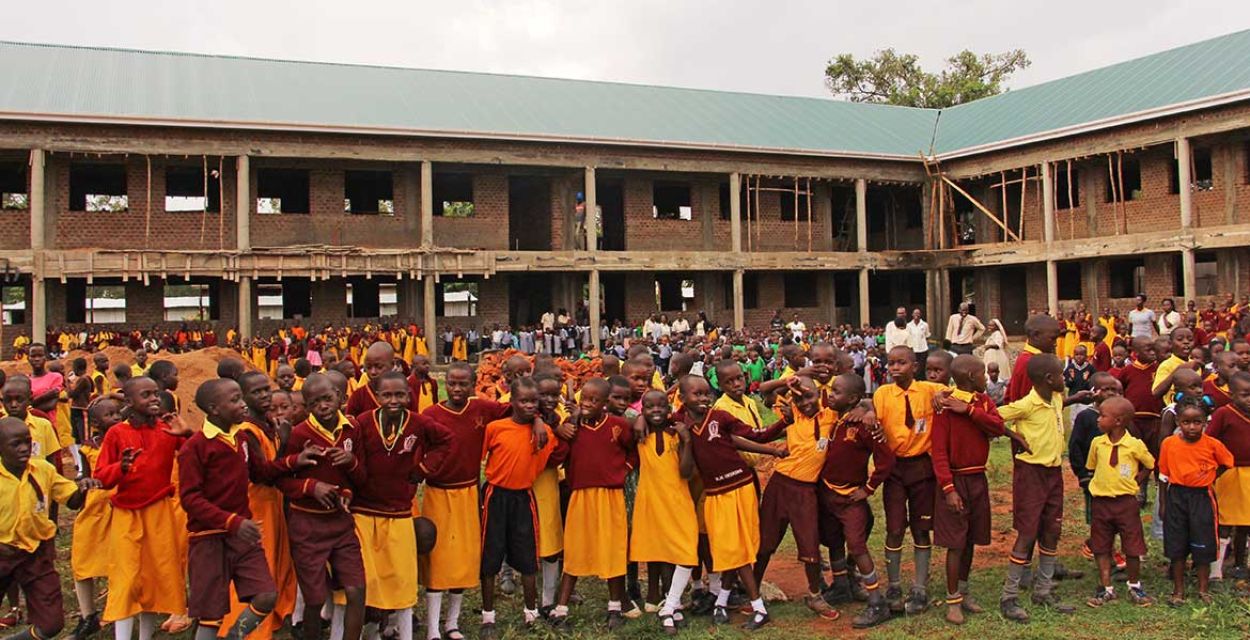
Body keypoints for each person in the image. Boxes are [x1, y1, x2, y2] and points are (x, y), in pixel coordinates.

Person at [177, 379, 316, 640]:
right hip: (209, 538)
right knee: (211, 616)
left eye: (241, 397)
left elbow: (260, 473)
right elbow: (190, 499)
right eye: (235, 400)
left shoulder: (239, 438)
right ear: (214, 408)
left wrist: (293, 461)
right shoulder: (195, 447)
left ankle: (234, 637)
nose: (243, 404)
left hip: (242, 536)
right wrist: (232, 521)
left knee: (265, 595)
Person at [674, 375, 784, 630]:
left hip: (740, 487)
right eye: (696, 394)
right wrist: (684, 439)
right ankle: (722, 600)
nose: (703, 398)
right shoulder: (679, 422)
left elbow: (753, 435)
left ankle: (757, 608)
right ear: (682, 398)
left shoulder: (720, 417)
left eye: (706, 393)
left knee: (739, 548)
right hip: (714, 493)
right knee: (726, 548)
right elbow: (684, 469)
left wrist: (783, 425)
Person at [350, 372, 452, 640]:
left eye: (399, 395)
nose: (393, 400)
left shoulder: (418, 423)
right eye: (386, 395)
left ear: (408, 396)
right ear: (377, 397)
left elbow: (445, 440)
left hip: (400, 511)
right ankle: (370, 630)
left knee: (401, 576)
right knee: (367, 578)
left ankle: (402, 631)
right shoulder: (363, 422)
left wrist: (424, 468)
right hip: (364, 510)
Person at [419, 363, 514, 640]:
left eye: (463, 384)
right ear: (444, 384)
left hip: (468, 492)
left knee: (462, 558)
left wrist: (541, 421)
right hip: (438, 493)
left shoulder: (482, 409)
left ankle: (452, 623)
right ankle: (433, 628)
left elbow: (517, 410)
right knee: (438, 558)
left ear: (473, 385)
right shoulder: (431, 415)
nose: (457, 389)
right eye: (452, 383)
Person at [94, 377, 194, 640]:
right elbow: (101, 476)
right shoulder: (117, 433)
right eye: (146, 395)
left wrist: (187, 434)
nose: (154, 399)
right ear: (129, 401)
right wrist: (121, 468)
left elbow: (199, 456)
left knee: (153, 576)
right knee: (126, 578)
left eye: (155, 394)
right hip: (126, 513)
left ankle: (145, 635)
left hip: (159, 511)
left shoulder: (167, 430)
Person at [997, 354, 1092, 622]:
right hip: (1031, 474)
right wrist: (1013, 435)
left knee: (1052, 531)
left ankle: (1043, 590)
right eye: (1062, 374)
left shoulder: (1055, 398)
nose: (1066, 378)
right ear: (1049, 379)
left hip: (1053, 474)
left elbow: (1058, 404)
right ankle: (1009, 596)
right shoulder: (1026, 404)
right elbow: (993, 416)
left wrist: (1077, 398)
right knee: (1027, 533)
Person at [278, 374, 367, 640]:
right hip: (307, 525)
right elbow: (282, 480)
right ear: (306, 406)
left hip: (340, 522)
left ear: (339, 397)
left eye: (327, 399)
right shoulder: (300, 434)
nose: (323, 406)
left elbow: (361, 476)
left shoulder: (351, 429)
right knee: (315, 598)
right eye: (315, 403)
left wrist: (349, 474)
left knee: (356, 590)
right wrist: (311, 487)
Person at [0, 416, 98, 640]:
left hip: (37, 553)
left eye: (27, 442)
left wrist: (83, 488)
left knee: (51, 624)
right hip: (3, 552)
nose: (24, 448)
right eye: (16, 444)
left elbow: (71, 500)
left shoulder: (42, 469)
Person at [478, 378, 561, 639]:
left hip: (524, 496)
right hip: (495, 494)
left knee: (527, 556)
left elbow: (548, 458)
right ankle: (488, 616)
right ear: (512, 401)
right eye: (523, 400)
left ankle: (531, 612)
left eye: (533, 401)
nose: (529, 405)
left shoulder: (544, 434)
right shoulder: (495, 428)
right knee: (490, 555)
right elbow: (480, 456)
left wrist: (540, 423)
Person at [548, 379, 635, 629]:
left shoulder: (618, 425)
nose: (587, 404)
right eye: (584, 398)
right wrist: (561, 430)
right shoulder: (573, 426)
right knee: (575, 548)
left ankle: (614, 607)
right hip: (581, 495)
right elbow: (560, 455)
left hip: (610, 495)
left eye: (594, 400)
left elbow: (632, 450)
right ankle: (561, 608)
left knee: (613, 548)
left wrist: (624, 469)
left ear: (605, 403)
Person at [219, 372, 298, 640]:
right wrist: (285, 442)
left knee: (276, 562)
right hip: (256, 505)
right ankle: (245, 629)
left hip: (273, 503)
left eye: (266, 389)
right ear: (243, 397)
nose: (264, 395)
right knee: (258, 567)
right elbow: (262, 474)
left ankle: (273, 616)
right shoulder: (247, 430)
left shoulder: (267, 424)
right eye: (256, 392)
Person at [753, 377, 839, 620]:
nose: (805, 403)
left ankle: (814, 594)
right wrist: (789, 381)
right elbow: (763, 389)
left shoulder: (830, 415)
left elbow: (860, 403)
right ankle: (753, 591)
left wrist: (866, 413)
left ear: (819, 395)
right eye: (798, 399)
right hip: (780, 485)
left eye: (809, 396)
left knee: (809, 541)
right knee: (766, 540)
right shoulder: (792, 417)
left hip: (806, 490)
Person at [930, 355, 1005, 625]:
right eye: (983, 374)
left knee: (971, 538)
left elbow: (998, 427)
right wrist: (948, 489)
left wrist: (970, 411)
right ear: (972, 377)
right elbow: (938, 451)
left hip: (977, 478)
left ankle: (963, 591)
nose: (986, 378)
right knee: (955, 543)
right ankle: (952, 600)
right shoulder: (944, 405)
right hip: (955, 479)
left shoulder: (982, 402)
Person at [818, 373, 895, 628]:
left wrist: (868, 489)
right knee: (833, 538)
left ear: (852, 398)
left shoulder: (864, 425)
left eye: (837, 392)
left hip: (851, 497)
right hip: (826, 493)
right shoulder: (833, 416)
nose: (831, 395)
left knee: (857, 545)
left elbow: (886, 461)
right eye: (831, 390)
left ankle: (877, 601)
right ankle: (841, 585)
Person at [874, 346, 946, 614]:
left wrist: (943, 396)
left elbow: (952, 393)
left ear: (915, 367)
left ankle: (919, 586)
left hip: (921, 468)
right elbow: (872, 414)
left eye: (901, 363)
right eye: (891, 363)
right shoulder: (883, 393)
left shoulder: (929, 390)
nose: (895, 368)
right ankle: (893, 585)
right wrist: (868, 413)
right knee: (894, 528)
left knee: (921, 527)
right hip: (894, 469)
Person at [628, 390, 697, 635]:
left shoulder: (676, 434)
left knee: (686, 551)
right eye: (649, 407)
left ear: (669, 409)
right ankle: (671, 604)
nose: (656, 411)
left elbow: (686, 472)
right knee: (660, 550)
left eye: (661, 406)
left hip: (678, 500)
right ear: (643, 410)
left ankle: (669, 605)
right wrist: (638, 418)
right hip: (651, 501)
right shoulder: (639, 433)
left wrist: (687, 441)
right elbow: (622, 416)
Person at [1159, 396, 1234, 605]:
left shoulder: (1212, 444)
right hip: (1176, 496)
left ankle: (1203, 589)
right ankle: (1178, 590)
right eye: (1186, 422)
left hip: (1202, 496)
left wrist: (1210, 476)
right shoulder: (1169, 444)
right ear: (1178, 422)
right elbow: (1163, 475)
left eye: (1197, 422)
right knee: (1177, 544)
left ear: (1205, 422)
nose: (1192, 427)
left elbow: (1227, 462)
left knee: (1203, 541)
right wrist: (1163, 503)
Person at [1083, 396, 1155, 607]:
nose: (1098, 419)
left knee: (1132, 546)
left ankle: (1135, 586)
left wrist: (1137, 480)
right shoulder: (1097, 443)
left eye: (1102, 416)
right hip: (1101, 502)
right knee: (1101, 546)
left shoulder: (1135, 445)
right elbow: (1092, 467)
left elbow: (1150, 464)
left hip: (1126, 503)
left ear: (1118, 421)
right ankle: (1106, 588)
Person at [69, 398, 122, 640]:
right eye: (109, 415)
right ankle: (88, 615)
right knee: (83, 559)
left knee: (118, 561)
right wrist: (83, 484)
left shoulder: (127, 440)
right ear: (96, 424)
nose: (116, 417)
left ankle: (119, 610)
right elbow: (84, 476)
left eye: (117, 413)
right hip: (94, 509)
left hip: (120, 506)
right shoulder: (88, 448)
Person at [1205, 372, 1250, 582]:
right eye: (1245, 394)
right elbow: (1210, 441)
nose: (1249, 399)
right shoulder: (1224, 413)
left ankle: (1241, 564)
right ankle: (1216, 570)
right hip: (1229, 473)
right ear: (1231, 394)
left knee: (1246, 524)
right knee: (1224, 522)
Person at [1006, 314, 1060, 403]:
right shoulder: (1030, 363)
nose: (1055, 344)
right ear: (1036, 336)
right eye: (1052, 339)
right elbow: (1029, 403)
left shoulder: (1034, 358)